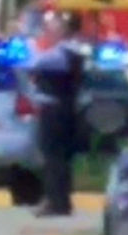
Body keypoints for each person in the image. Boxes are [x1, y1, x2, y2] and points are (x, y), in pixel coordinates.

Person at [28, 11, 88, 217]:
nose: (48, 33)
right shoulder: (73, 52)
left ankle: (56, 201)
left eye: (53, 29)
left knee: (53, 157)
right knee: (61, 158)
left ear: (64, 32)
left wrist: (32, 44)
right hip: (65, 108)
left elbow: (33, 63)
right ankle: (61, 200)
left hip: (55, 110)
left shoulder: (61, 54)